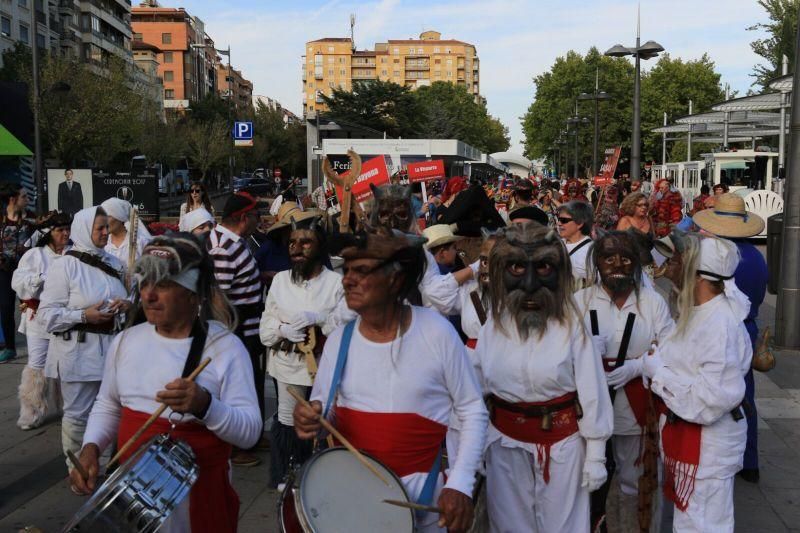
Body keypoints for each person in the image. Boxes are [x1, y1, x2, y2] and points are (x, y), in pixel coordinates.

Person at [294, 226, 488, 532]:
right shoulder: (339, 340)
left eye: (361, 271)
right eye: (346, 270)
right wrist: (312, 417)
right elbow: (324, 410)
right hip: (354, 501)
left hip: (423, 500)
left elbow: (472, 410)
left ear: (396, 279)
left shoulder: (437, 332)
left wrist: (461, 483)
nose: (347, 280)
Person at [71, 234, 261, 533]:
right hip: (132, 506)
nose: (148, 295)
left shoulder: (225, 347)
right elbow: (108, 404)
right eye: (144, 284)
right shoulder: (125, 341)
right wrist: (91, 447)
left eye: (162, 285)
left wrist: (206, 405)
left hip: (198, 503)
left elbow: (249, 433)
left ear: (192, 294)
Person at [474, 223, 613, 532]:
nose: (530, 285)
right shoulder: (492, 329)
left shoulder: (572, 328)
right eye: (516, 268)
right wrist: (474, 448)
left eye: (543, 268)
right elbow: (475, 394)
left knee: (563, 526)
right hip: (504, 446)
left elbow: (592, 393)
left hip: (562, 447)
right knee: (509, 525)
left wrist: (596, 456)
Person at [641, 234, 751, 532]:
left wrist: (659, 374)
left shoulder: (720, 325)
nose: (670, 266)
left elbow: (709, 400)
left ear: (698, 275)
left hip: (708, 453)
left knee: (702, 526)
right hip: (690, 445)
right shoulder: (699, 312)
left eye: (677, 261)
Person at [575, 231, 674, 531]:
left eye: (625, 258)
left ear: (635, 263)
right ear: (597, 262)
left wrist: (638, 365)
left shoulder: (653, 303)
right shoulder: (579, 301)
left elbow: (669, 348)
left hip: (635, 402)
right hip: (589, 404)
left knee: (637, 479)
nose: (617, 263)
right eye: (608, 257)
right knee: (585, 478)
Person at [38, 206, 129, 473]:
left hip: (111, 352)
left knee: (111, 410)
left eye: (106, 227)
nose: (105, 232)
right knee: (78, 414)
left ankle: (101, 465)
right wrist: (83, 315)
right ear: (83, 230)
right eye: (98, 228)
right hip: (77, 352)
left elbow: (126, 298)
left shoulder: (114, 263)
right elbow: (46, 315)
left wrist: (127, 304)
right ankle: (77, 468)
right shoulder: (65, 266)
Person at [259, 212, 343, 487]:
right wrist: (282, 330)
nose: (297, 248)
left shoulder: (336, 283)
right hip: (286, 363)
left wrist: (317, 318)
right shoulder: (281, 281)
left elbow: (345, 321)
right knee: (286, 417)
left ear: (320, 245)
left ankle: (321, 475)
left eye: (306, 242)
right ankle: (285, 474)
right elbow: (267, 325)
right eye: (293, 242)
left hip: (323, 366)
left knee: (324, 419)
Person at [693, 193, 768, 484]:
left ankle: (725, 456)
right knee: (744, 393)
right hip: (747, 327)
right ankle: (749, 461)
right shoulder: (755, 256)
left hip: (720, 326)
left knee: (716, 391)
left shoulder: (719, 257)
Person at [207, 192, 264, 466]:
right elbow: (219, 298)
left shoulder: (234, 243)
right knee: (238, 387)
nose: (258, 220)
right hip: (237, 331)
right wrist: (226, 339)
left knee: (251, 383)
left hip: (250, 329)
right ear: (243, 218)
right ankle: (235, 444)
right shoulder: (222, 248)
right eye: (255, 216)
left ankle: (250, 435)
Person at [12, 212, 71, 429]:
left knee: (66, 365)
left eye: (67, 229)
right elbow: (18, 282)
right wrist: (42, 279)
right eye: (60, 230)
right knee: (37, 364)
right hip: (39, 320)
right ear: (49, 234)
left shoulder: (73, 253)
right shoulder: (35, 255)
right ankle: (31, 412)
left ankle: (69, 409)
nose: (65, 233)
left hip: (66, 319)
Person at [0, 183, 36, 362]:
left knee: (30, 307)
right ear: (13, 200)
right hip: (4, 271)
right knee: (6, 308)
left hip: (25, 271)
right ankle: (10, 347)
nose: (27, 200)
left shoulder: (31, 219)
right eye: (24, 197)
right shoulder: (1, 219)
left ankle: (36, 344)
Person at [101, 198, 152, 270]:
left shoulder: (140, 242)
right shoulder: (102, 244)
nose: (104, 221)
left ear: (120, 217)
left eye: (108, 216)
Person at [557, 200, 594, 286]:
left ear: (580, 223)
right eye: (559, 219)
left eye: (563, 220)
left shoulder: (592, 251)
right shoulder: (556, 244)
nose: (558, 223)